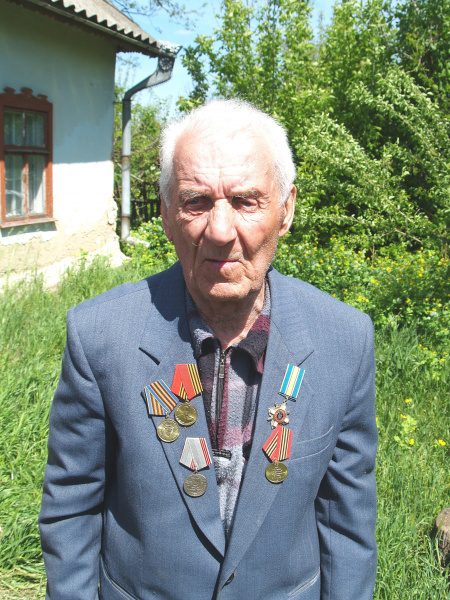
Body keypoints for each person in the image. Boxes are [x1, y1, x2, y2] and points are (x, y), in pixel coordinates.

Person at [39, 100, 377, 600]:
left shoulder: (343, 341)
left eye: (245, 201)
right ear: (166, 214)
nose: (220, 231)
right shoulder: (100, 336)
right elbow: (72, 506)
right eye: (196, 202)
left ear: (286, 210)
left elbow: (347, 523)